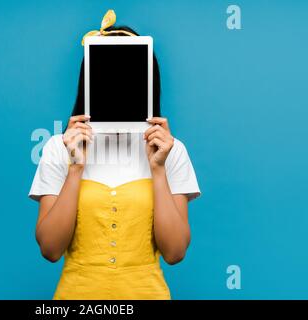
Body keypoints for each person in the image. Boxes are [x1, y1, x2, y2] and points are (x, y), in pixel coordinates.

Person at [29, 10, 201, 299]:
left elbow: (174, 253)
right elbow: (50, 249)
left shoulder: (171, 150)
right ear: (90, 80)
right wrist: (75, 168)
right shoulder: (59, 148)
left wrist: (158, 170)